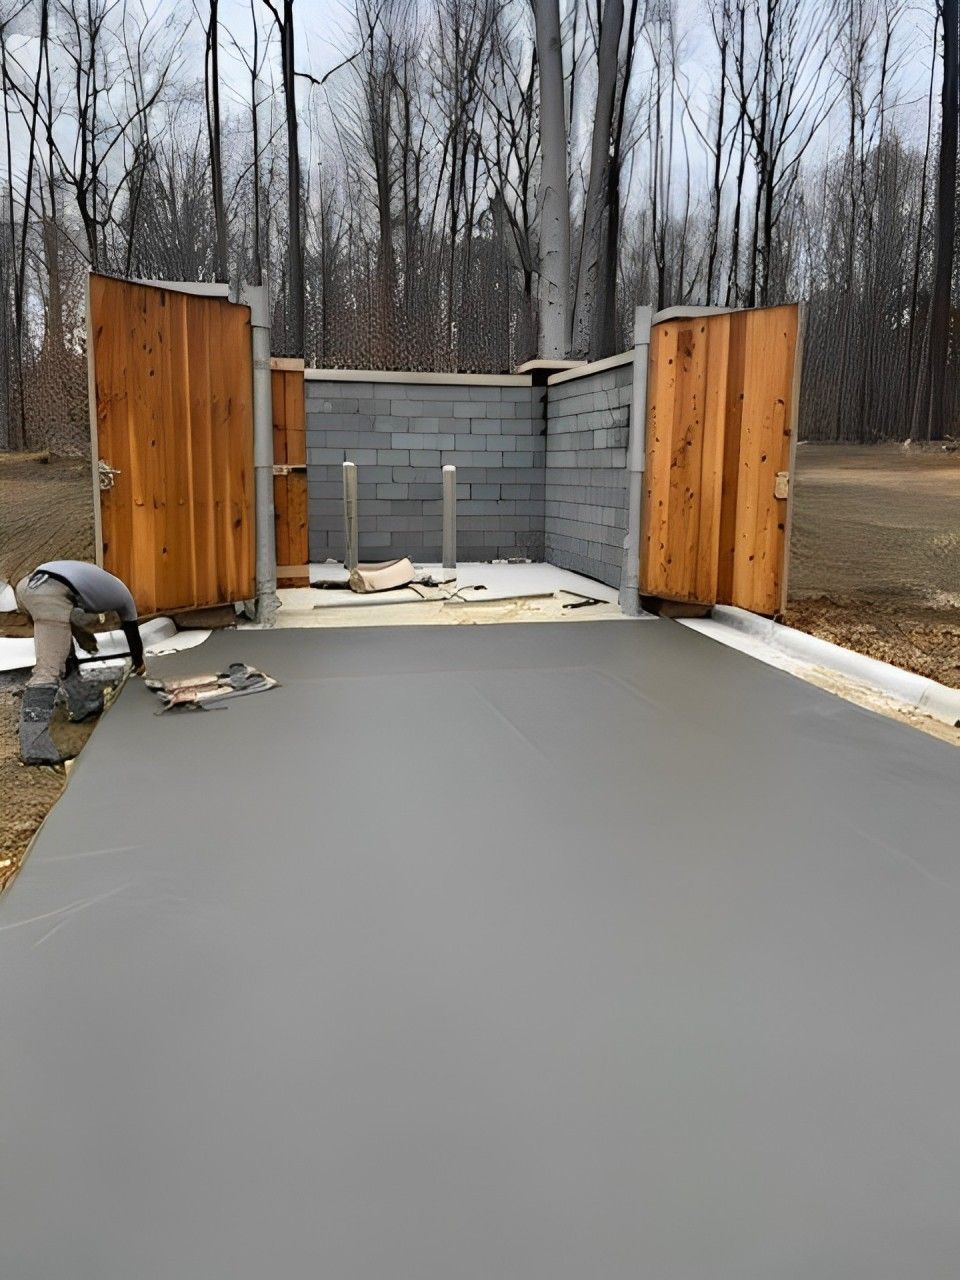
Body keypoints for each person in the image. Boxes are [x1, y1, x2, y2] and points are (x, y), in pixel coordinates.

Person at [14, 560, 146, 765]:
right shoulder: (125, 599)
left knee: (64, 651)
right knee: (48, 670)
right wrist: (139, 663)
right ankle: (34, 746)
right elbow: (132, 634)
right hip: (49, 593)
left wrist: (80, 636)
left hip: (26, 586)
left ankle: (81, 705)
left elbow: (65, 612)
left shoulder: (93, 579)